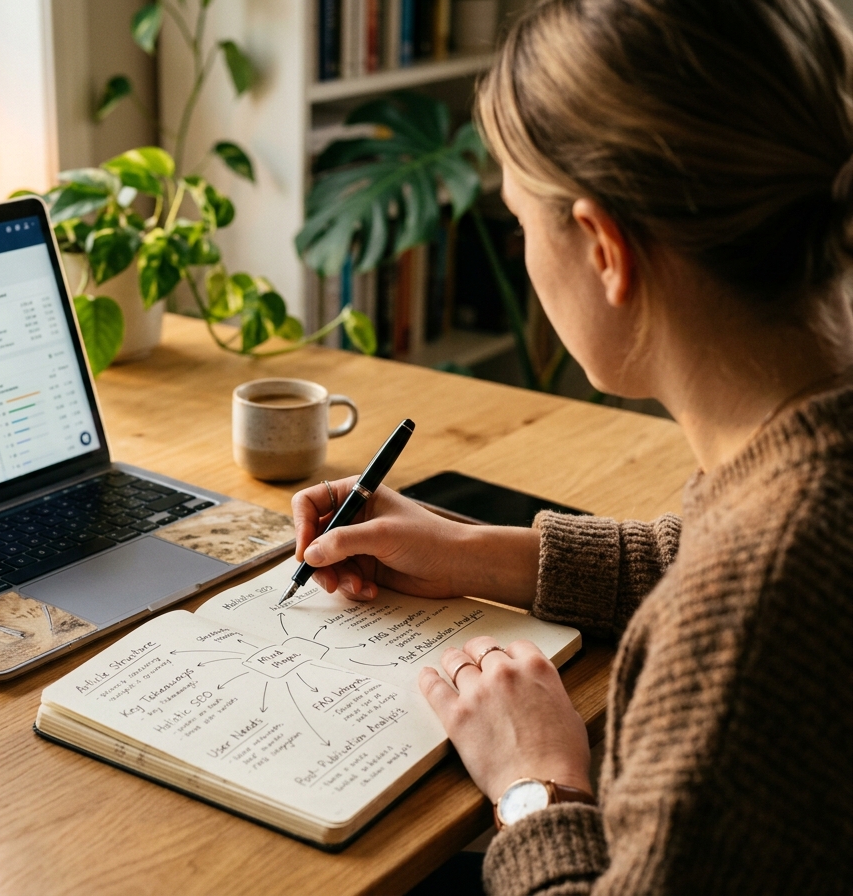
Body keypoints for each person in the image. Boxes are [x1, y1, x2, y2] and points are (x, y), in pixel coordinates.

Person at [291, 1, 853, 892]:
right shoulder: (808, 449)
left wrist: (536, 788)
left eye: (519, 224)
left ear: (603, 248)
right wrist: (471, 552)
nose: (519, 253)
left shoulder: (749, 617)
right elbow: (704, 552)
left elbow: (738, 586)